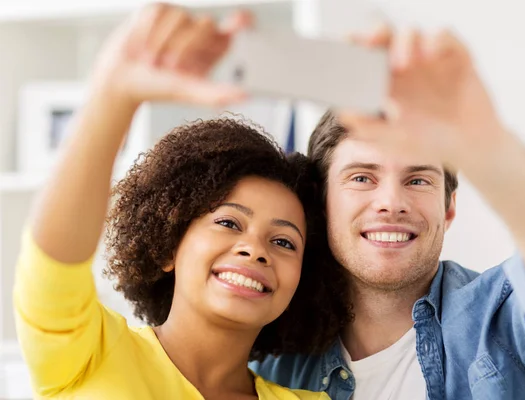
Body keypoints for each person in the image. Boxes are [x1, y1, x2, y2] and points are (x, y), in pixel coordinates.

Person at [12, 4, 342, 399]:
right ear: (170, 246)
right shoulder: (89, 352)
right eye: (229, 223)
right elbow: (53, 263)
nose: (254, 249)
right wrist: (114, 94)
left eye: (284, 242)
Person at [251, 26, 525, 399]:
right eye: (363, 178)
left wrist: (486, 144)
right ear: (322, 204)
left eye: (418, 181)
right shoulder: (273, 359)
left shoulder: (502, 320)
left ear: (448, 208)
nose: (391, 201)